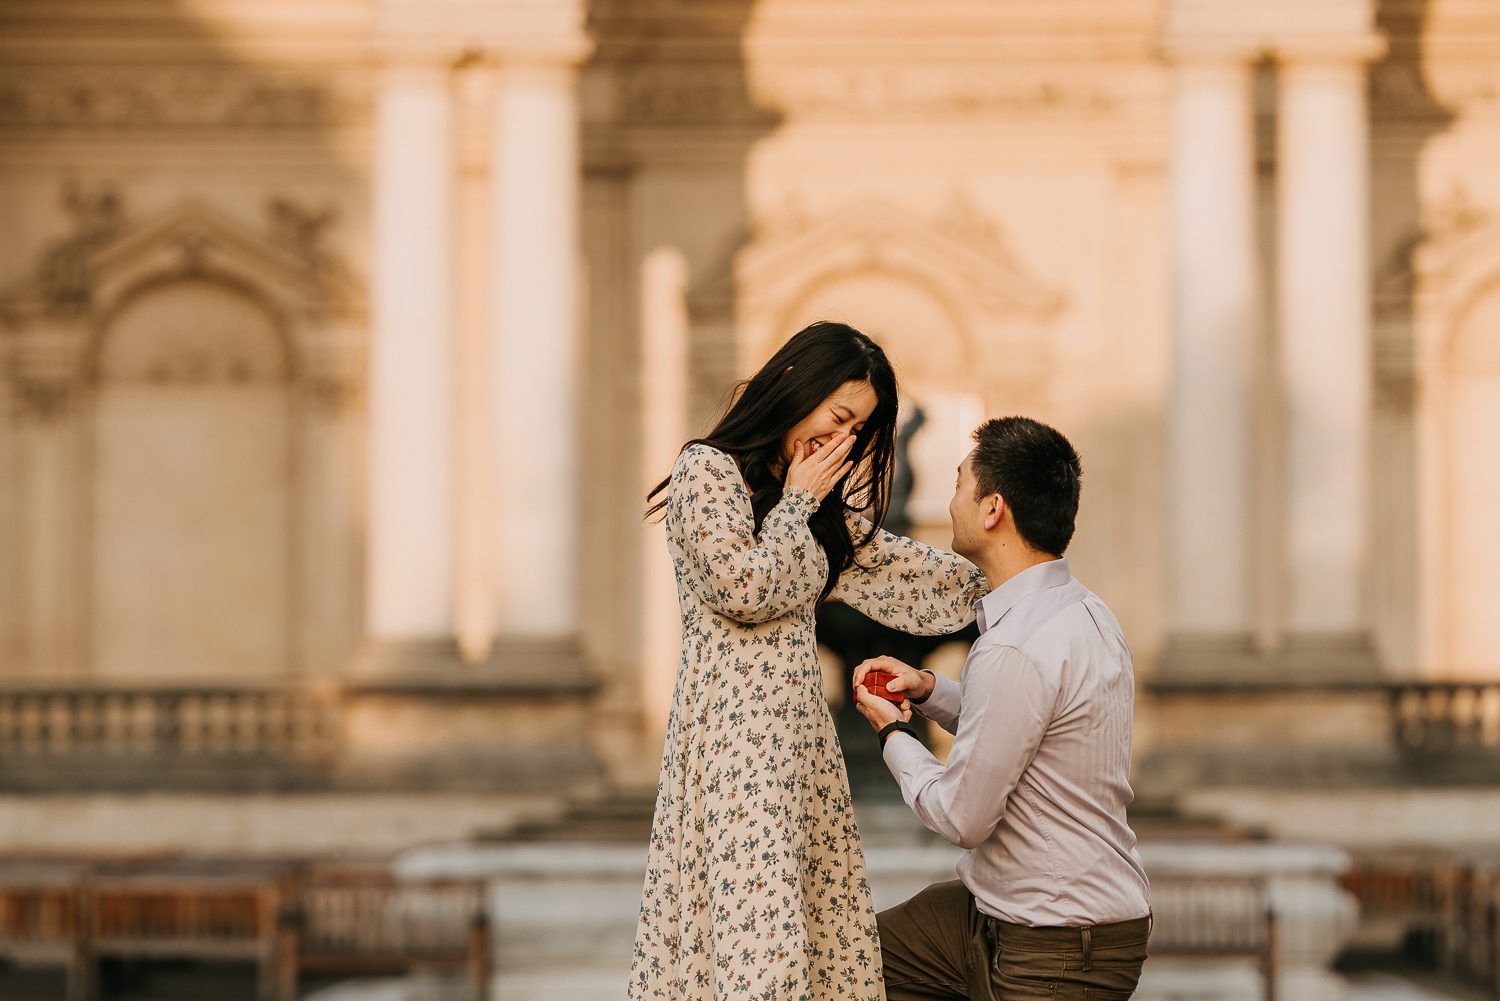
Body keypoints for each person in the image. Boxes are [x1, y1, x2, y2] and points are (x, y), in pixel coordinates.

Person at [628, 321, 989, 1001]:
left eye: (859, 431)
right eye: (839, 415)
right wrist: (797, 501)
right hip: (734, 752)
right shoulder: (706, 471)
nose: (841, 440)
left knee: (819, 950)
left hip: (802, 752)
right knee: (753, 954)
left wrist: (1010, 580)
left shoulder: (814, 503)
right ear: (796, 386)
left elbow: (896, 570)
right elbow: (744, 589)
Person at [853, 416, 1152, 1001]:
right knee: (852, 962)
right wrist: (928, 689)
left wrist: (894, 736)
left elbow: (963, 818)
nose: (951, 500)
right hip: (992, 914)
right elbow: (1018, 723)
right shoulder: (1083, 611)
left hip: (1061, 949)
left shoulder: (1014, 646)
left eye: (960, 483)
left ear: (992, 509)